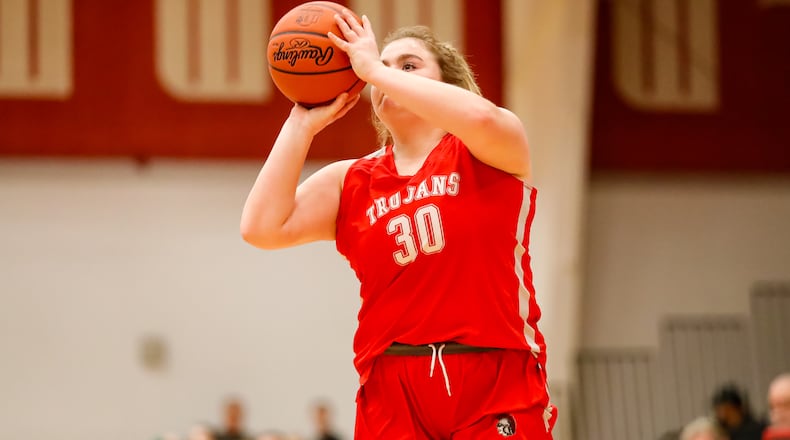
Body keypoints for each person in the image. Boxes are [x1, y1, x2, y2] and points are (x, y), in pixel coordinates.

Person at [241, 9, 556, 440]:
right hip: (392, 384)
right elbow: (260, 227)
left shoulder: (489, 148)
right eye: (381, 69)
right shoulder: (350, 180)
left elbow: (480, 118)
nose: (386, 76)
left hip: (493, 373)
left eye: (408, 66)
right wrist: (301, 121)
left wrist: (372, 68)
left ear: (448, 86)